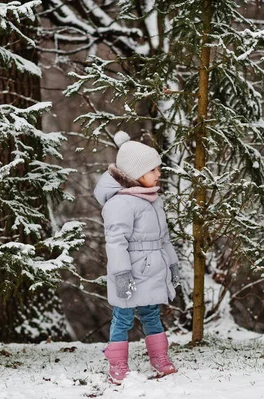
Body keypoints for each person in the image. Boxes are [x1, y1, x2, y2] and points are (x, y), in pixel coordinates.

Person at [93, 131, 180, 384]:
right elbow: (116, 242)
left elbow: (164, 239)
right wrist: (121, 274)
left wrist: (172, 265)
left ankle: (160, 358)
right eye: (153, 170)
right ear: (136, 174)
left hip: (153, 269)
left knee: (152, 313)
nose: (158, 173)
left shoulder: (154, 200)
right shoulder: (120, 203)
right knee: (123, 316)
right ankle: (117, 363)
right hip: (130, 271)